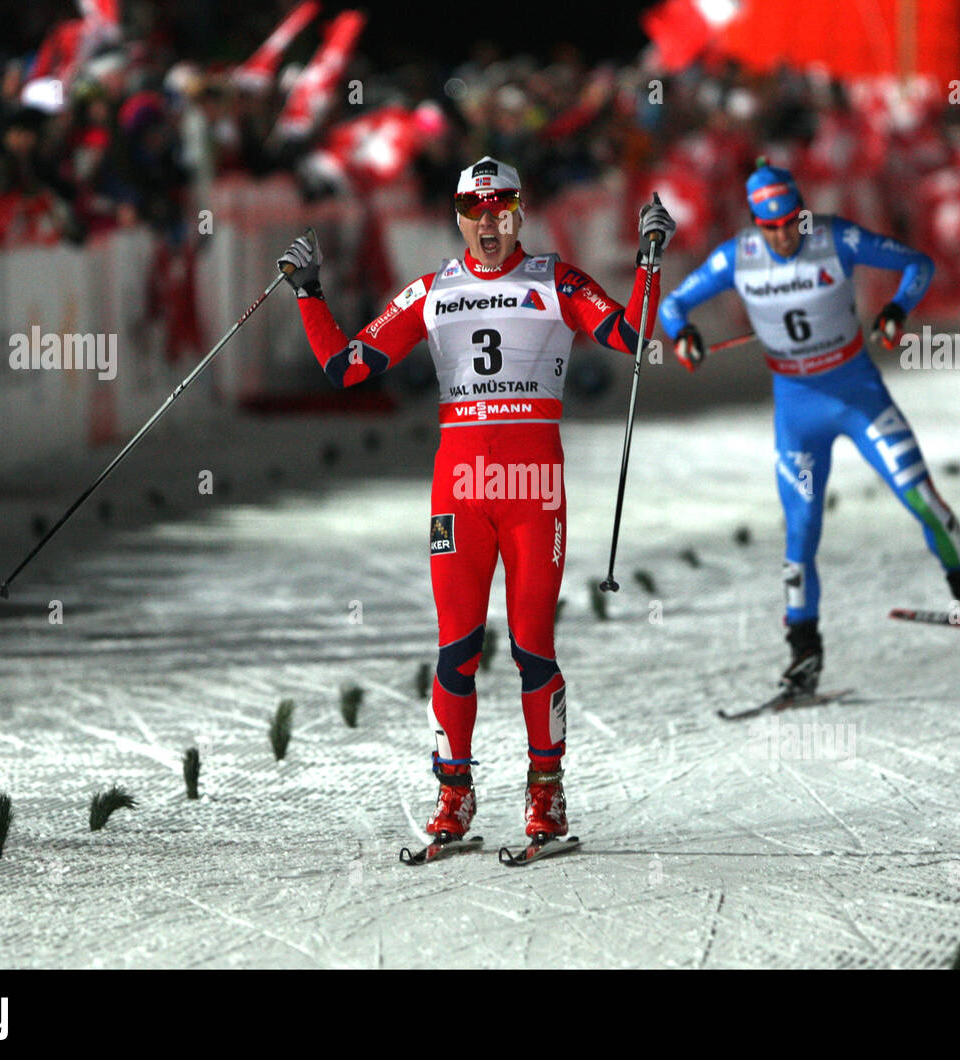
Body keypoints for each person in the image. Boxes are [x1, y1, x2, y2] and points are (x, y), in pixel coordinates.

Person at [276, 157, 675, 843]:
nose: (488, 225)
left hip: (532, 489)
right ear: (457, 217)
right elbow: (347, 369)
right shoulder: (432, 290)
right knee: (456, 648)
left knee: (532, 648)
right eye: (475, 213)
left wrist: (648, 261)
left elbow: (631, 339)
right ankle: (454, 795)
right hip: (459, 489)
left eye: (500, 211)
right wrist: (309, 293)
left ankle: (546, 796)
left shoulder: (556, 279)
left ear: (519, 213)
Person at [660, 161, 960, 698]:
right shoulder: (737, 256)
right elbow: (673, 303)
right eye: (771, 225)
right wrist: (684, 334)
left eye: (790, 221)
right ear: (756, 223)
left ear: (802, 214)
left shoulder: (834, 237)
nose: (783, 234)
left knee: (919, 495)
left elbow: (916, 265)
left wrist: (898, 310)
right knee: (801, 531)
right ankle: (804, 648)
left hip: (858, 396)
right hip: (797, 410)